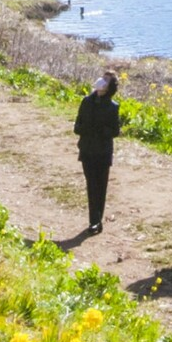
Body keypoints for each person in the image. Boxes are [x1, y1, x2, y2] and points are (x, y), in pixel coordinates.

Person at [75, 70, 124, 234]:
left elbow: (115, 131)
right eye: (102, 78)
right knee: (91, 185)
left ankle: (97, 221)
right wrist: (87, 130)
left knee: (100, 186)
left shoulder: (112, 107)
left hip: (102, 152)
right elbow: (77, 127)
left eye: (106, 80)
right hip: (88, 149)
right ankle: (94, 220)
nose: (102, 82)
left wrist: (101, 131)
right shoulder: (86, 102)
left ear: (110, 87)